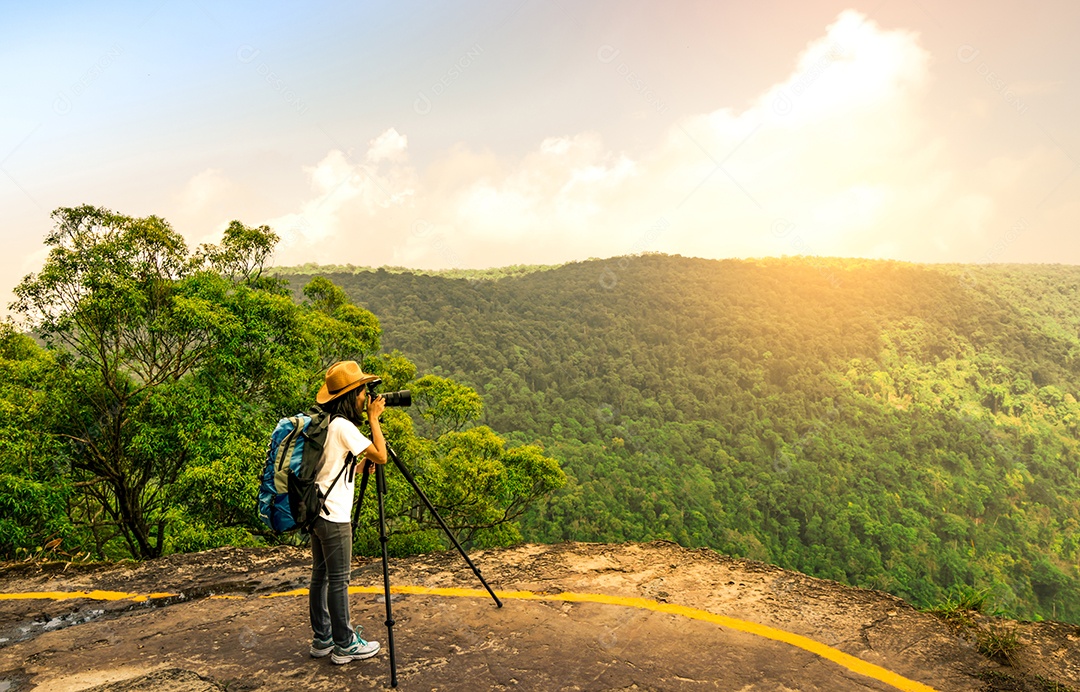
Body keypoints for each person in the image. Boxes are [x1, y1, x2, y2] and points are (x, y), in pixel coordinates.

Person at [307, 360, 388, 665]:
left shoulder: (325, 420)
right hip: (335, 516)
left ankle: (322, 638)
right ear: (352, 395)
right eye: (363, 391)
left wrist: (357, 461)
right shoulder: (344, 426)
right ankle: (345, 644)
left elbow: (335, 463)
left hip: (316, 511)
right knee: (339, 580)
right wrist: (374, 420)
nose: (367, 396)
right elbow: (380, 456)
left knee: (321, 576)